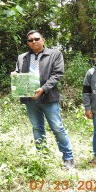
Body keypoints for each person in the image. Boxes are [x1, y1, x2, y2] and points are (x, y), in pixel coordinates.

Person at [14, 29, 75, 169]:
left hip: (48, 97)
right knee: (37, 128)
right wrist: (15, 75)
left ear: (43, 40)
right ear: (28, 43)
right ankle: (43, 158)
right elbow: (18, 73)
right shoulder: (22, 57)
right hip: (30, 98)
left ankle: (68, 158)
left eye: (36, 39)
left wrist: (43, 89)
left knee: (58, 128)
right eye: (30, 40)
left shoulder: (55, 54)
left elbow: (57, 74)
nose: (34, 42)